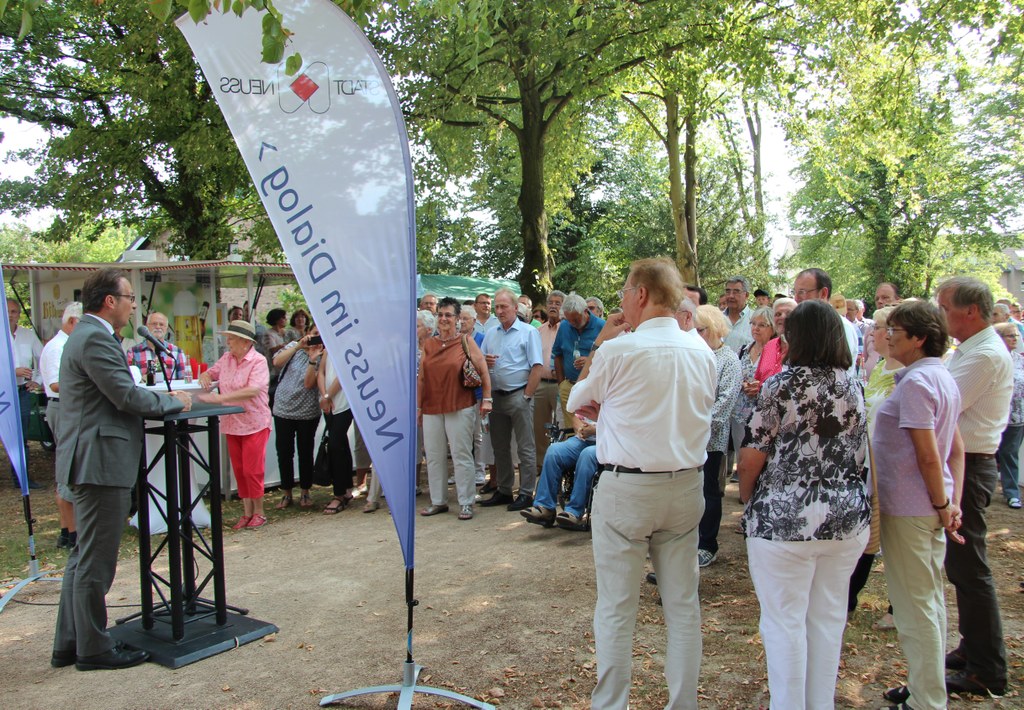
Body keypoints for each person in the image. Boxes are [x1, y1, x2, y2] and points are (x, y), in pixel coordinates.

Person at [566, 257, 716, 710]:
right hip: (686, 486)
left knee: (616, 606)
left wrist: (602, 349)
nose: (620, 304)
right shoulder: (703, 353)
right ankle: (683, 703)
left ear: (642, 295)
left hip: (627, 489)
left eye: (624, 294)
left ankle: (611, 704)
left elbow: (577, 399)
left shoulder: (619, 349)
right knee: (683, 605)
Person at [51, 269, 191, 672]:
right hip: (99, 463)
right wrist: (174, 402)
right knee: (96, 560)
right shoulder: (94, 337)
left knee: (83, 556)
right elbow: (125, 395)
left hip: (91, 459)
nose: (134, 305)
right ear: (109, 301)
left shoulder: (89, 336)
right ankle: (93, 648)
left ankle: (70, 642)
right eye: (129, 297)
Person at [738, 300, 871, 710]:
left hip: (784, 520)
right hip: (845, 519)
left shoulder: (781, 384)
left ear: (796, 337)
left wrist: (749, 500)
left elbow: (752, 456)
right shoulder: (853, 384)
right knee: (828, 619)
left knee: (784, 621)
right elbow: (859, 453)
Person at [874, 300, 965, 710]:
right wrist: (950, 501)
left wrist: (945, 502)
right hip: (928, 504)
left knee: (915, 608)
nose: (888, 336)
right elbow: (954, 452)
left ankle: (927, 700)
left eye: (896, 330)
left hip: (913, 507)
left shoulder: (917, 383)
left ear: (919, 338)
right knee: (928, 601)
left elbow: (930, 454)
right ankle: (925, 686)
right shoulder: (936, 376)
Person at [936, 276, 1012, 697]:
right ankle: (973, 648)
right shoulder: (970, 349)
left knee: (970, 567)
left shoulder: (983, 354)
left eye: (945, 307)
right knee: (962, 567)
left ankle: (987, 668)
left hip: (973, 464)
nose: (941, 314)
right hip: (964, 462)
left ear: (970, 311)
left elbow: (943, 400)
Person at [847, 305, 901, 625]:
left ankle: (898, 606)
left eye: (879, 328)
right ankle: (848, 598)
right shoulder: (880, 368)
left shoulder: (904, 373)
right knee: (870, 533)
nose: (871, 334)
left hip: (893, 467)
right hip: (871, 462)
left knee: (890, 536)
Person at [418, 297, 492, 520]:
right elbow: (421, 378)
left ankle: (466, 502)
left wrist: (487, 399)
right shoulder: (429, 344)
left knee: (461, 455)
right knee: (434, 456)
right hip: (432, 407)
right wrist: (418, 407)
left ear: (458, 318)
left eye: (448, 315)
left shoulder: (466, 341)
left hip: (460, 404)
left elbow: (483, 371)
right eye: (440, 314)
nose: (443, 319)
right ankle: (438, 501)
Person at [199, 320, 272, 529]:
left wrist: (220, 399)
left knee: (252, 469)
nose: (227, 341)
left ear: (244, 341)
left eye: (231, 338)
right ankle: (247, 512)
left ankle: (260, 512)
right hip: (232, 422)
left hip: (254, 421)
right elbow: (212, 372)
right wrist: (205, 375)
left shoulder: (257, 361)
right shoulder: (227, 358)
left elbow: (253, 390)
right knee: (240, 470)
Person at [480, 288, 543, 511]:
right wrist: (484, 363)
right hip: (496, 397)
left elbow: (537, 366)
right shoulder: (490, 334)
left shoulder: (528, 332)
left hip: (519, 395)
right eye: (497, 307)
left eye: (504, 306)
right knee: (500, 447)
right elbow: (480, 366)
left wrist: (526, 395)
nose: (499, 311)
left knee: (526, 447)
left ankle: (526, 493)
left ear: (516, 308)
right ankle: (505, 490)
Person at [694, 305, 741, 567]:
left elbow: (724, 405)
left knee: (709, 491)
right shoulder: (694, 354)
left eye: (699, 330)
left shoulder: (728, 359)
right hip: (686, 439)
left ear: (712, 329)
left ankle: (707, 545)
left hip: (710, 440)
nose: (694, 334)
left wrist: (694, 426)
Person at [39, 301, 82, 549]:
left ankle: (68, 531)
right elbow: (56, 384)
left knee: (67, 469)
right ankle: (71, 531)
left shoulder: (64, 344)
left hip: (65, 407)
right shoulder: (58, 347)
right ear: (72, 322)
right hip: (62, 406)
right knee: (67, 469)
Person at [271, 324, 324, 510]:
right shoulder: (294, 347)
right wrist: (298, 346)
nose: (315, 338)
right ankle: (286, 493)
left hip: (307, 411)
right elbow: (276, 362)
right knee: (284, 452)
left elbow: (309, 384)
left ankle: (305, 491)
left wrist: (312, 359)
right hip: (283, 408)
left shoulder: (323, 356)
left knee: (305, 451)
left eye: (320, 334)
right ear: (307, 333)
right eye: (314, 333)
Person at [520, 411, 598, 530]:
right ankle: (544, 507)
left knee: (587, 455)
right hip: (582, 440)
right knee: (554, 451)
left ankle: (574, 511)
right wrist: (581, 429)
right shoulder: (590, 393)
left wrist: (594, 430)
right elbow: (576, 417)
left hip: (607, 441)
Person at [727, 306, 775, 485]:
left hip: (762, 416)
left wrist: (760, 388)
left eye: (762, 325)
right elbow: (733, 377)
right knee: (742, 458)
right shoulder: (743, 350)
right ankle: (744, 493)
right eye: (753, 323)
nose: (756, 328)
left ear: (772, 328)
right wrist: (742, 384)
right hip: (739, 414)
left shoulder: (775, 352)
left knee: (760, 459)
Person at [793, 268, 859, 377]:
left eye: (802, 292)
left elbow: (838, 375)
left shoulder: (840, 327)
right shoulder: (805, 327)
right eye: (794, 292)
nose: (796, 298)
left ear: (823, 293)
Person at [7, 296, 43, 489]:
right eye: (7, 311)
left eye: (14, 312)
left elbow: (43, 356)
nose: (11, 315)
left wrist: (36, 380)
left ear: (19, 314)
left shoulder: (27, 335)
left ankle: (21, 479)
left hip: (22, 392)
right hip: (3, 391)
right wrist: (13, 373)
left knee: (21, 437)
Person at [553, 293, 605, 426]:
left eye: (575, 320)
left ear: (586, 311)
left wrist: (590, 360)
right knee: (570, 429)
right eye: (569, 320)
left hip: (592, 389)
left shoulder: (602, 327)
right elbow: (557, 355)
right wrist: (561, 384)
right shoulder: (564, 326)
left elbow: (610, 360)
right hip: (568, 386)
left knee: (589, 429)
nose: (572, 324)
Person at [534, 290, 565, 472]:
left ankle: (561, 465)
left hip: (560, 384)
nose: (553, 306)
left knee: (562, 425)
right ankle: (541, 465)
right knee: (538, 427)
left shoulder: (567, 329)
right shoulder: (538, 331)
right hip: (540, 384)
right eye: (551, 303)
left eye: (558, 303)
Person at [994, 322, 1024, 508]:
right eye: (1010, 335)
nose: (1015, 338)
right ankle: (1011, 492)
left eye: (1016, 335)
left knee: (1009, 453)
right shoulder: (995, 358)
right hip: (999, 415)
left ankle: (1010, 490)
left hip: (1019, 416)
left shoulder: (1019, 359)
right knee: (1005, 453)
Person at [126, 311, 190, 382]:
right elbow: (128, 381)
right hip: (145, 392)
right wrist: (140, 379)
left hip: (170, 392)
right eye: (154, 324)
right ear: (146, 326)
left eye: (161, 324)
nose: (158, 327)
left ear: (167, 329)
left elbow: (184, 381)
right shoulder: (133, 352)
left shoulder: (177, 352)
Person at [753, 297, 794, 387]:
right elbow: (759, 379)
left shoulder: (804, 348)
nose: (782, 317)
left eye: (789, 313)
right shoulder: (768, 346)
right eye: (778, 314)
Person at [721, 276, 753, 353]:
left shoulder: (755, 320)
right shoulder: (716, 318)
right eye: (728, 292)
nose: (731, 296)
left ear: (746, 295)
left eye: (736, 292)